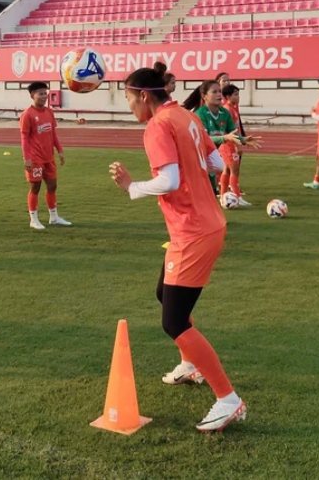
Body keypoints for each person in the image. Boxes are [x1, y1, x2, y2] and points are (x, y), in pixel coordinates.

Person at [109, 65, 246, 432]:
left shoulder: (158, 125)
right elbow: (216, 163)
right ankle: (190, 364)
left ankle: (228, 398)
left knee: (174, 321)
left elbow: (169, 180)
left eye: (128, 98)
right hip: (205, 224)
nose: (129, 106)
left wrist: (131, 187)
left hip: (193, 231)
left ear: (143, 95)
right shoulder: (186, 115)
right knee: (164, 295)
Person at [19, 81, 70, 230]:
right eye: (40, 94)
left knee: (52, 186)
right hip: (35, 158)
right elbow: (24, 138)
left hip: (49, 157)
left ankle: (54, 217)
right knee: (35, 187)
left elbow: (53, 133)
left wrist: (60, 150)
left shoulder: (49, 112)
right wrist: (27, 158)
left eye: (45, 93)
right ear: (32, 95)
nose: (44, 96)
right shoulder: (27, 114)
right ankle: (33, 219)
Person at [194, 81, 244, 195]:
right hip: (196, 153)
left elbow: (233, 132)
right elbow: (204, 139)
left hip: (210, 153)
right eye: (214, 92)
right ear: (204, 96)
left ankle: (220, 194)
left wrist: (244, 140)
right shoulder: (200, 114)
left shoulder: (224, 113)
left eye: (220, 91)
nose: (219, 94)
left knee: (219, 168)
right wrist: (224, 138)